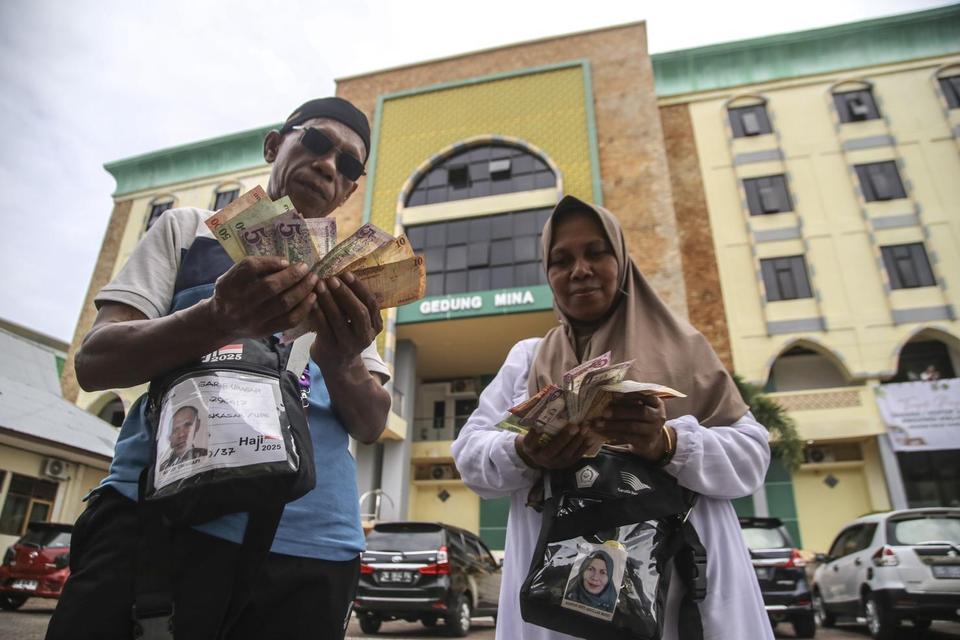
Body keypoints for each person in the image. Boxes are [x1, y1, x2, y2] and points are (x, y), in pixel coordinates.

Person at [46, 97, 391, 640]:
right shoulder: (189, 231)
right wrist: (215, 317)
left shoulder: (346, 278)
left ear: (350, 190)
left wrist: (342, 358)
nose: (329, 165)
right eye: (317, 142)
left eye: (349, 165)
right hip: (161, 521)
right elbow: (94, 362)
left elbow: (371, 424)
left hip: (313, 546)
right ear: (275, 145)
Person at [452, 195, 773, 640]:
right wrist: (525, 451)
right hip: (556, 608)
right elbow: (470, 458)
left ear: (621, 260)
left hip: (679, 597)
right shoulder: (528, 360)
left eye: (595, 253)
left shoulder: (685, 348)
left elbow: (753, 459)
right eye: (561, 260)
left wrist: (667, 444)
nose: (579, 270)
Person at [158, 405, 207, 472]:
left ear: (197, 425)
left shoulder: (206, 455)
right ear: (169, 437)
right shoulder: (162, 469)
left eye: (187, 425)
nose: (181, 434)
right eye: (175, 430)